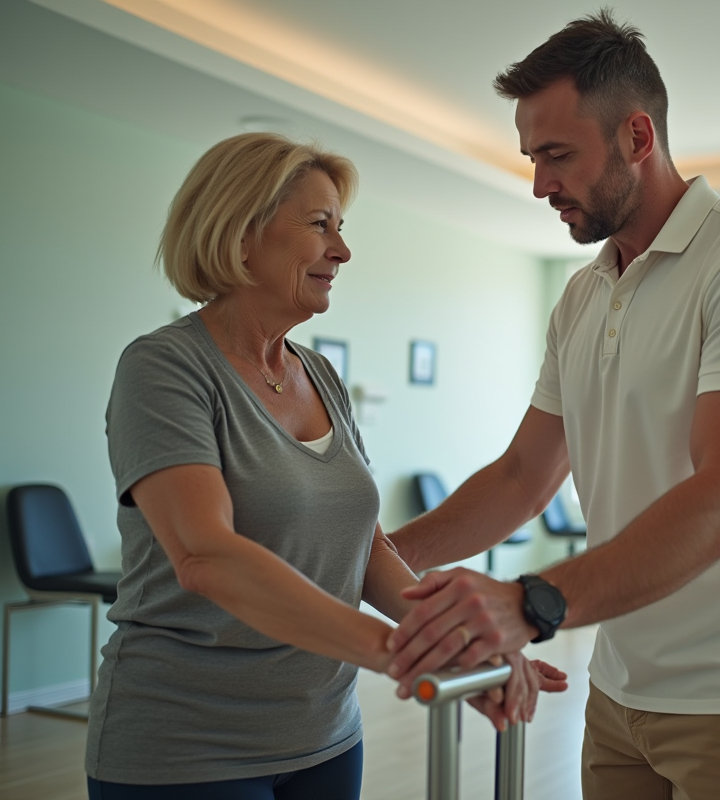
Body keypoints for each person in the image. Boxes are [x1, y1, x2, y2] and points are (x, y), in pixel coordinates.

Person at [384, 10, 720, 800]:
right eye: (531, 158)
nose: (538, 184)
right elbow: (524, 475)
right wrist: (372, 564)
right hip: (619, 689)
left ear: (637, 136)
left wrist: (533, 603)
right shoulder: (584, 295)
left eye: (557, 155)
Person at [89, 132, 565, 800]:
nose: (343, 251)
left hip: (324, 735)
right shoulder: (163, 369)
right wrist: (403, 652)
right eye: (320, 226)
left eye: (341, 228)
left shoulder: (319, 376)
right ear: (242, 233)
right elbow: (207, 556)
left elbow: (363, 550)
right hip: (187, 745)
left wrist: (453, 639)